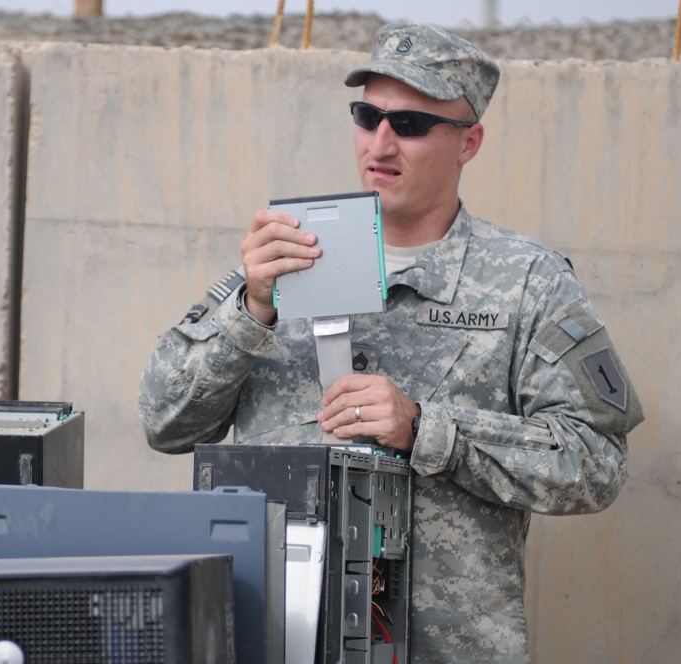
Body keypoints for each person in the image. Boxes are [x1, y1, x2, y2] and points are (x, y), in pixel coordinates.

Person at [138, 21, 644, 664]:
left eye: (409, 124)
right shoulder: (280, 266)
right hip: (275, 640)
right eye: (367, 116)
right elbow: (165, 423)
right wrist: (251, 311)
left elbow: (596, 464)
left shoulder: (527, 283)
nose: (380, 143)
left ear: (468, 141)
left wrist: (430, 430)